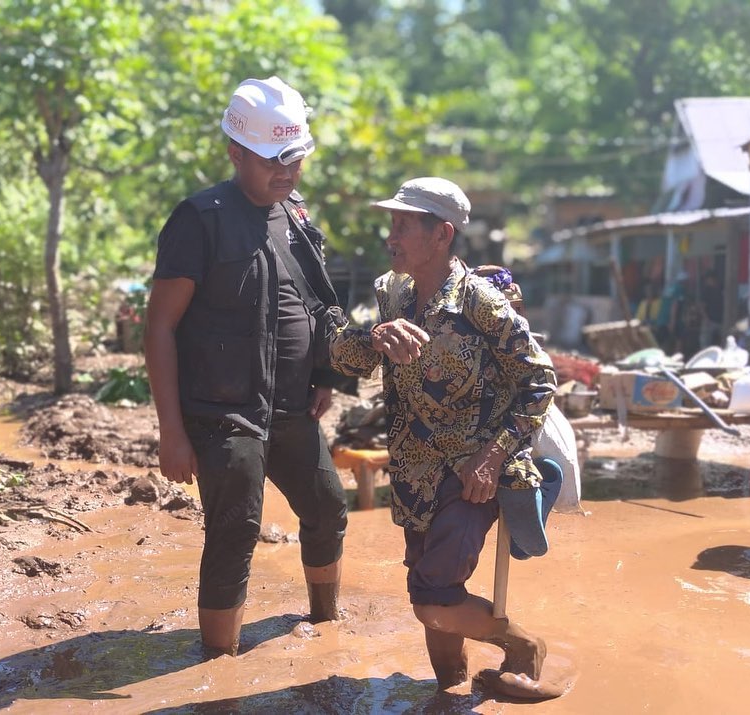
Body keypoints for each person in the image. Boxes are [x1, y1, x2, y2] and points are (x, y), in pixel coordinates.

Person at [329, 177, 563, 700]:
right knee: (435, 617)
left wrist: (493, 455)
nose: (392, 236)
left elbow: (540, 380)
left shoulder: (480, 302)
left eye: (404, 225)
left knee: (432, 598)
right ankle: (452, 697)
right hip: (412, 478)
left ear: (442, 235)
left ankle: (523, 646)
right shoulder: (392, 294)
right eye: (391, 224)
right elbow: (342, 358)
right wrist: (372, 337)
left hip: (470, 478)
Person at [143, 77, 349, 658]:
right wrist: (171, 432)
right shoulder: (199, 218)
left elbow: (317, 301)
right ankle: (218, 670)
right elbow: (158, 327)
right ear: (236, 151)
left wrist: (327, 375)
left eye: (297, 160)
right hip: (222, 412)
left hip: (289, 408)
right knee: (236, 530)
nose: (287, 172)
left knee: (329, 507)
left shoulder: (296, 216)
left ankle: (325, 626)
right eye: (274, 161)